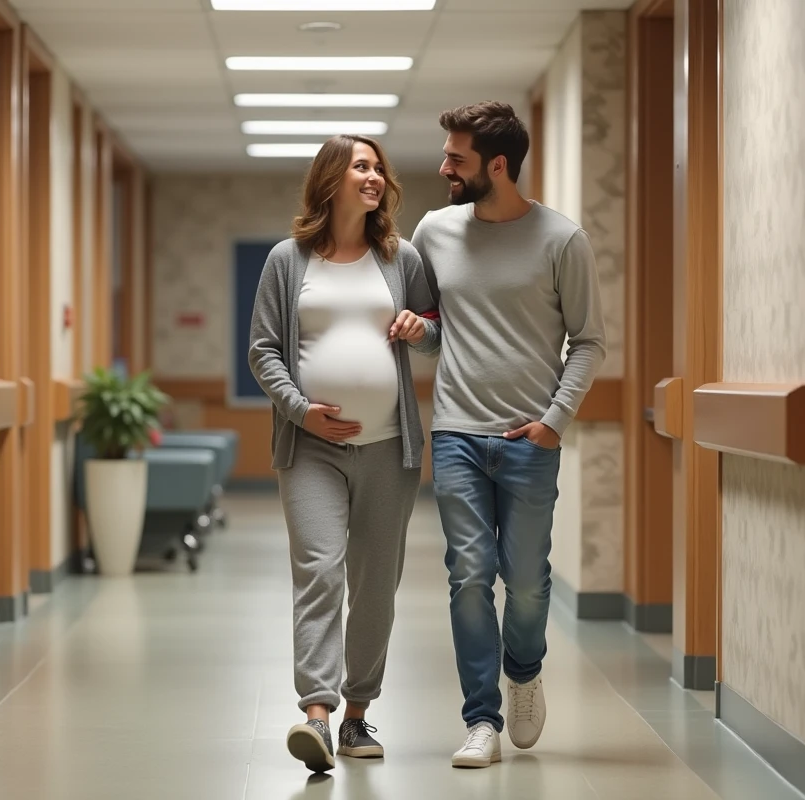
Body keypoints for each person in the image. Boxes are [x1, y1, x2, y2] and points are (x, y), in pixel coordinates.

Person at [410, 102, 607, 768]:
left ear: (498, 165)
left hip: (529, 438)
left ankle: (524, 670)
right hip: (457, 434)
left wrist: (555, 422)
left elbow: (588, 342)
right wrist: (420, 332)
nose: (444, 168)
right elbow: (439, 330)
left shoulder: (561, 239)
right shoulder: (435, 232)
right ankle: (481, 719)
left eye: (456, 159)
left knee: (524, 582)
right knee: (469, 575)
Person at [248, 134, 439, 773]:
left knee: (376, 585)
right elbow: (264, 350)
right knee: (321, 572)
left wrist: (421, 328)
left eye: (379, 167)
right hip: (310, 450)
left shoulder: (401, 258)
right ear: (331, 178)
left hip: (390, 449)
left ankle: (359, 715)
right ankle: (318, 716)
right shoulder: (287, 259)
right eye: (362, 166)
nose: (375, 176)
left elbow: (437, 337)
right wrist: (303, 411)